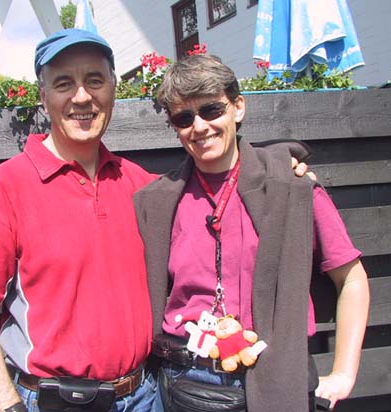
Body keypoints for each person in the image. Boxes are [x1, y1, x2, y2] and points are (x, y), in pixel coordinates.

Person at [0, 29, 312, 412]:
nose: (82, 96)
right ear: (43, 96)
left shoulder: (144, 188)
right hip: (53, 402)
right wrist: (9, 407)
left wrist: (278, 168)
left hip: (148, 396)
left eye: (95, 80)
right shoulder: (5, 188)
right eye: (64, 83)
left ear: (114, 89)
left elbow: (219, 183)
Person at [132, 54, 370, 412]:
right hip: (182, 383)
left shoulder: (292, 186)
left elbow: (352, 279)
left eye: (211, 110)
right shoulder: (158, 200)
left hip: (274, 381)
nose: (199, 127)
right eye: (183, 118)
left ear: (237, 108)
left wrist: (344, 373)